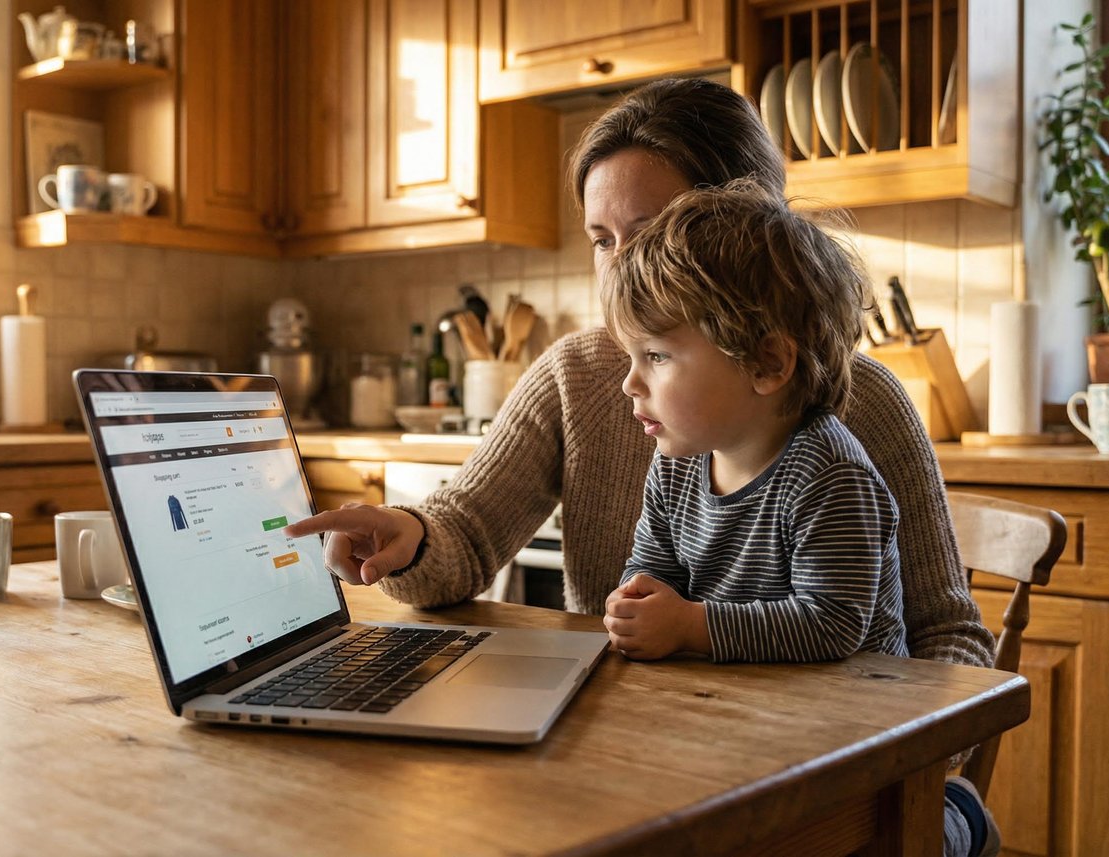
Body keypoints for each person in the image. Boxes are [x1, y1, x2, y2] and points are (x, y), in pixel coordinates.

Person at [283, 77, 993, 672]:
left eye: (650, 233)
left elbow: (947, 637)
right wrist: (408, 535)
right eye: (602, 240)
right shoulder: (581, 378)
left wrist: (922, 782)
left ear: (739, 232)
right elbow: (465, 531)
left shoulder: (858, 407)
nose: (621, 265)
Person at [595, 182, 908, 664]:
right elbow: (654, 570)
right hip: (743, 707)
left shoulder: (829, 476)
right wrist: (637, 600)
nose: (630, 384)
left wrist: (688, 625)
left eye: (656, 355)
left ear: (766, 364)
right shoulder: (675, 467)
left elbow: (830, 625)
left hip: (851, 718)